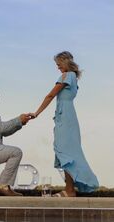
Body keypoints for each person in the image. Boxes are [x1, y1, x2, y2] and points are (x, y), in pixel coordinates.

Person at [30, 51, 99, 197]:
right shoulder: (74, 77)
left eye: (58, 64)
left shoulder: (67, 76)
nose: (58, 67)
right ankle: (69, 189)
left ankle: (70, 190)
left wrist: (37, 113)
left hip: (66, 117)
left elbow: (50, 95)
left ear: (65, 61)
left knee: (66, 152)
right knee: (67, 152)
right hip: (67, 116)